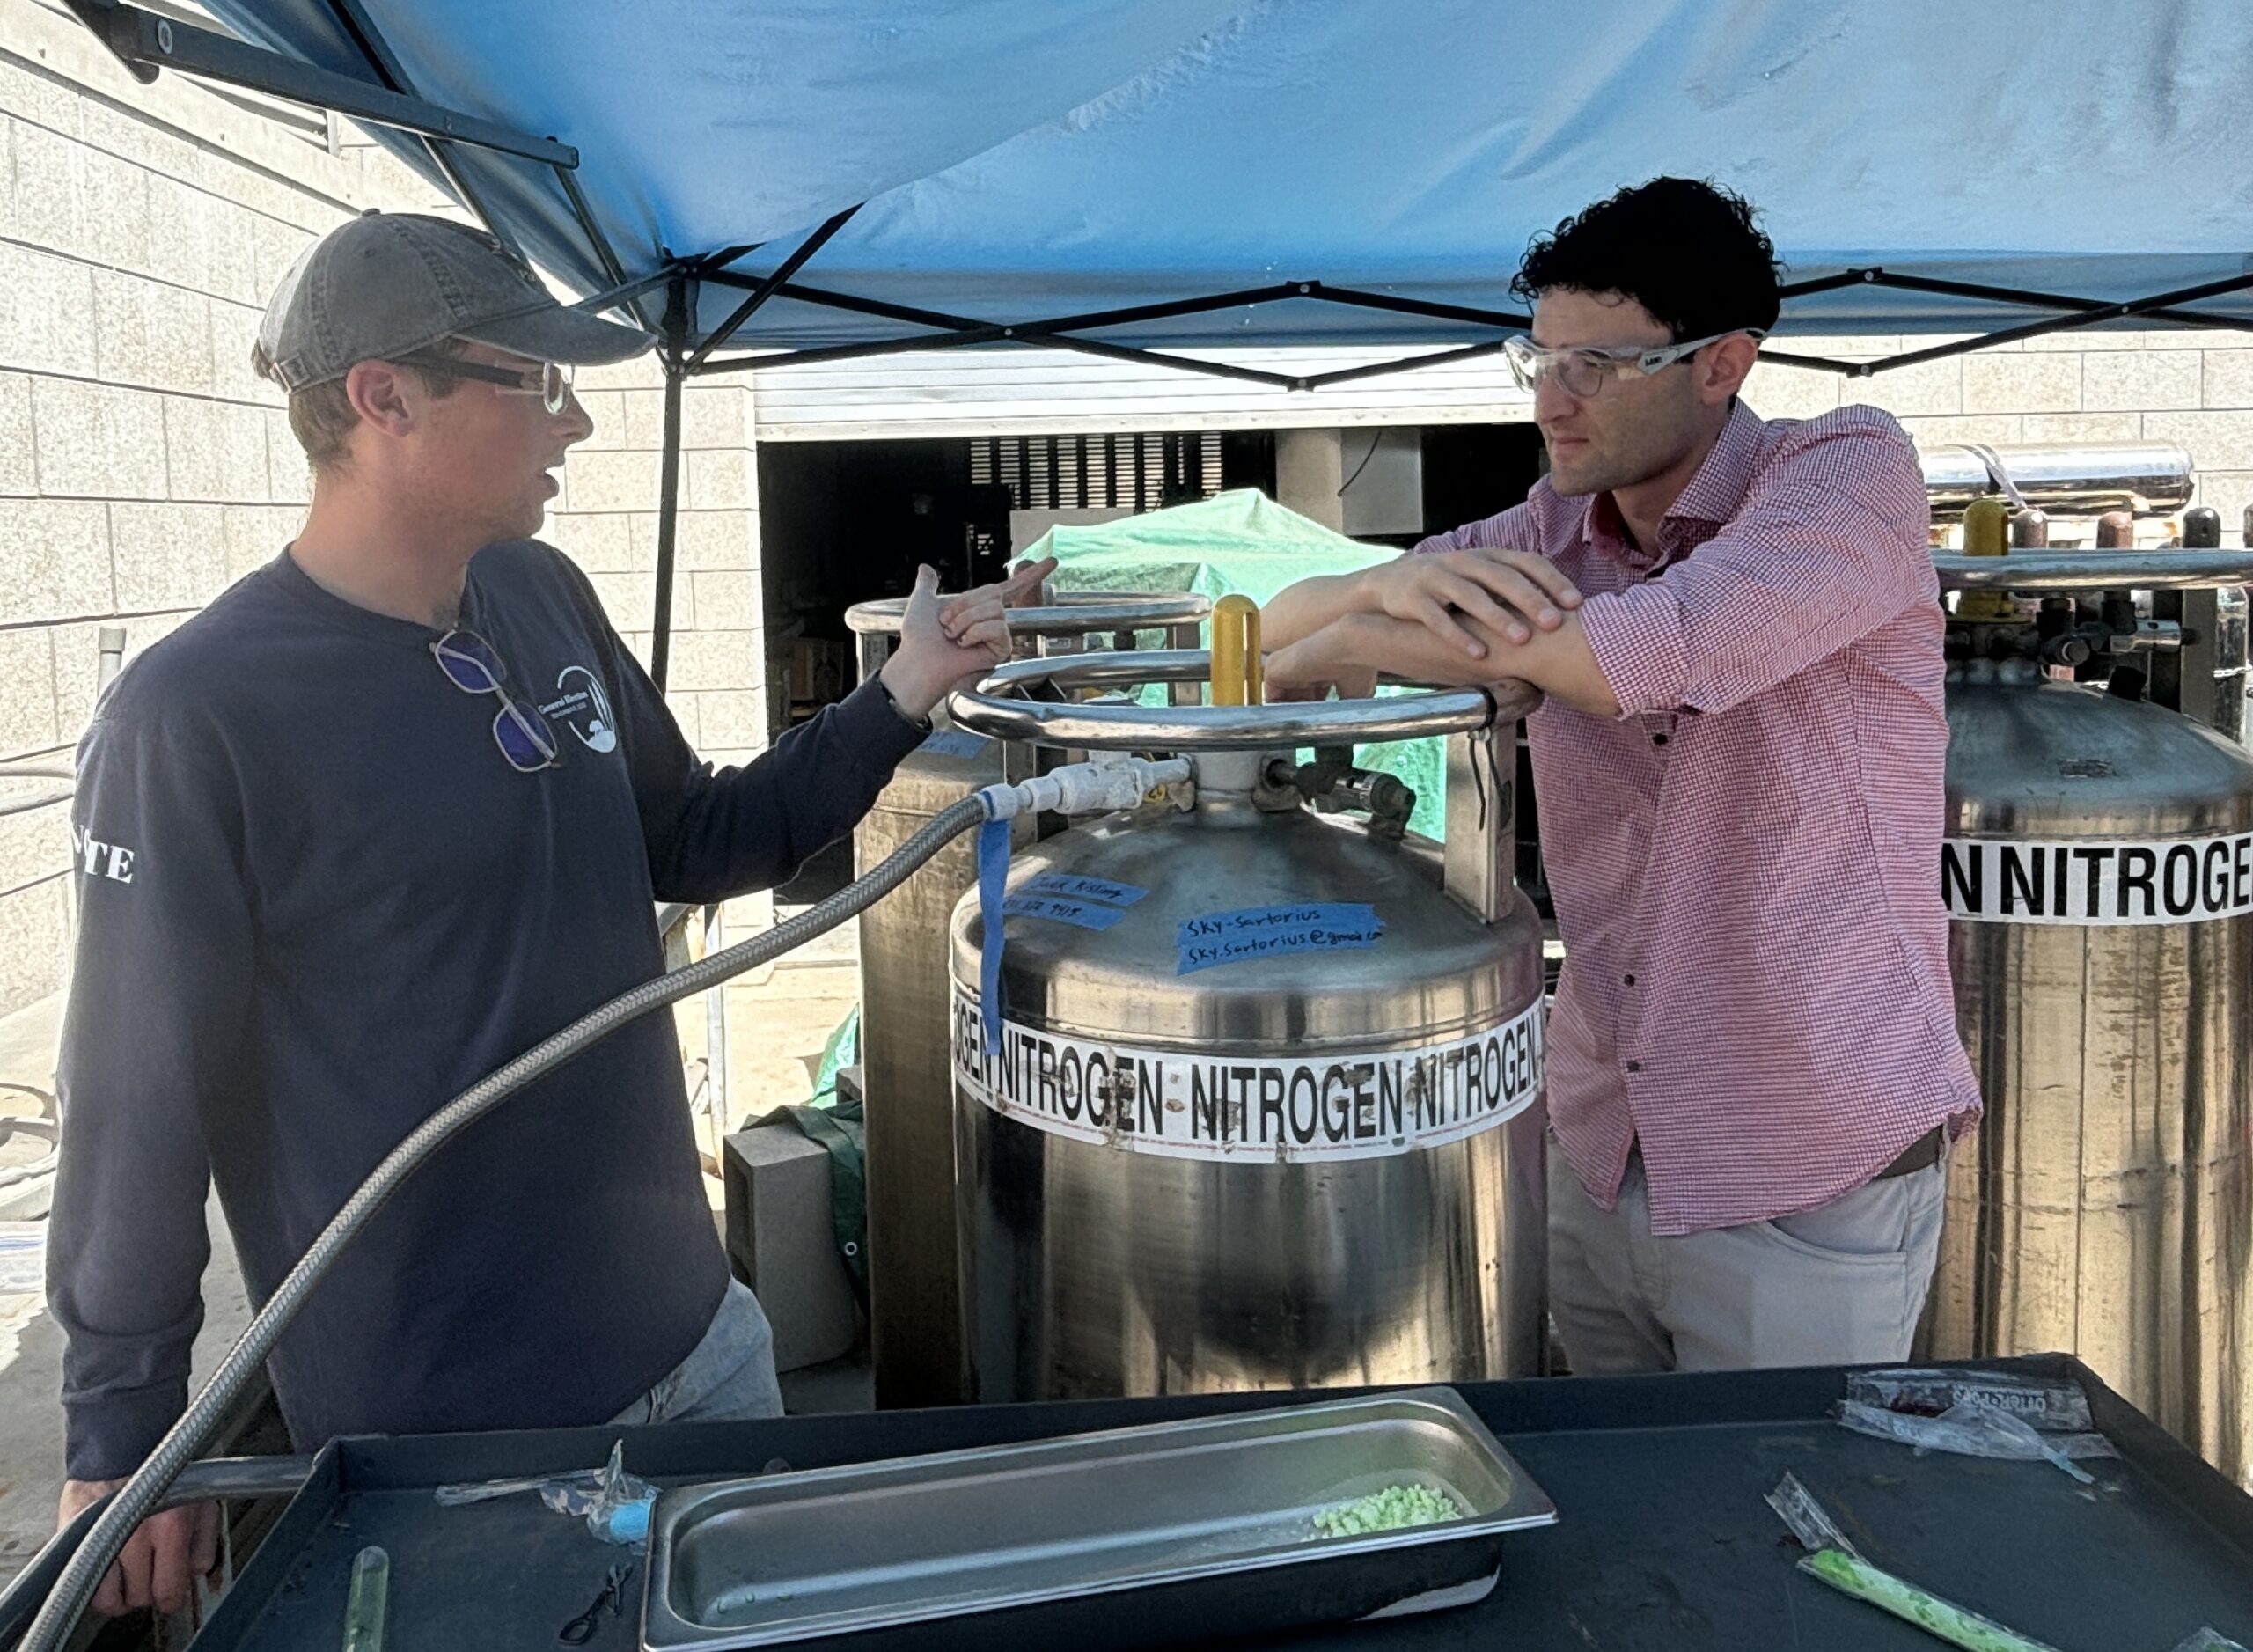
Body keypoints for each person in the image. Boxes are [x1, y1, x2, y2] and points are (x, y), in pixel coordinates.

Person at [46, 211, 1050, 1618]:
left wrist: (898, 694)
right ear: (383, 398)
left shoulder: (538, 595)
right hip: (446, 1433)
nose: (573, 422)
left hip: (702, 1344)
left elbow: (702, 833)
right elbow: (132, 1112)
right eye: (535, 382)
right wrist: (120, 1436)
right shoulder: (195, 717)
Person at [1262, 177, 1981, 1380]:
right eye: (1536, 359)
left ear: (1724, 364)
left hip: (1804, 1165)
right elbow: (1272, 635)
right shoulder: (1551, 530)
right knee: (1620, 1529)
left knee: (1780, 1542)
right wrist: (1370, 597)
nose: (1553, 400)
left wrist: (1363, 631)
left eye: (1595, 365)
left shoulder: (1844, 474)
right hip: (1603, 1142)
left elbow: (1637, 654)